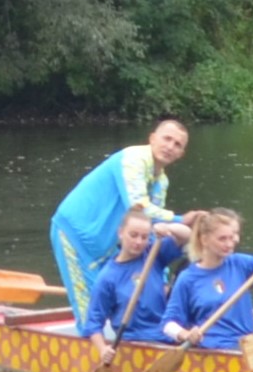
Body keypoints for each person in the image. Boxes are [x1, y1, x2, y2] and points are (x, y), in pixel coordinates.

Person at [49, 119, 190, 318]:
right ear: (152, 138)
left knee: (118, 303)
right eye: (167, 139)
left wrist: (162, 277)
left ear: (180, 154)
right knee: (91, 310)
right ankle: (91, 344)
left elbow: (153, 230)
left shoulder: (161, 182)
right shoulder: (133, 159)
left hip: (108, 245)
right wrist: (181, 220)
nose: (170, 147)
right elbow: (138, 207)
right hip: (74, 235)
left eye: (177, 145)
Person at [159, 208, 253, 352]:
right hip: (213, 352)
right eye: (222, 239)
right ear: (204, 240)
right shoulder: (187, 278)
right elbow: (168, 324)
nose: (229, 244)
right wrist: (185, 335)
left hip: (248, 348)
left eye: (231, 238)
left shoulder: (239, 263)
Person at [79, 207, 193, 357]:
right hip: (135, 342)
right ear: (120, 233)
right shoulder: (107, 277)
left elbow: (188, 235)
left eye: (144, 237)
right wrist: (103, 350)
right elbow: (93, 324)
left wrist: (168, 227)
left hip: (167, 335)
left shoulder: (154, 254)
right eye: (133, 235)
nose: (139, 242)